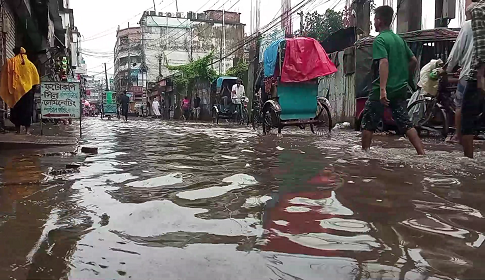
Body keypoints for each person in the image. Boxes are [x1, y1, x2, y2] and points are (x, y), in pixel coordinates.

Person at [361, 6, 425, 155]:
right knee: (405, 123)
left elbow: (384, 62)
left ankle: (363, 156)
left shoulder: (380, 40)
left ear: (380, 21)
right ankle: (421, 153)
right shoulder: (399, 39)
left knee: (368, 122)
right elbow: (413, 61)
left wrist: (383, 89)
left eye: (374, 19)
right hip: (399, 89)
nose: (373, 22)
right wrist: (405, 77)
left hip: (381, 90)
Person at [445, 3, 476, 143]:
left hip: (470, 73)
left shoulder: (468, 25)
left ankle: (458, 135)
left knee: (460, 104)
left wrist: (446, 69)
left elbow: (457, 51)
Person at [462, 0, 485, 158]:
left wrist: (480, 74)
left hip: (479, 72)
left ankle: (468, 160)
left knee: (467, 116)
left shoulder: (478, 10)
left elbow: (481, 44)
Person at [0, 47, 40, 135]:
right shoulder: (30, 64)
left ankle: (18, 130)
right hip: (27, 91)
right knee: (27, 110)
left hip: (15, 91)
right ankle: (27, 131)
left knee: (16, 110)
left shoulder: (10, 62)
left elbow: (3, 75)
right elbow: (36, 81)